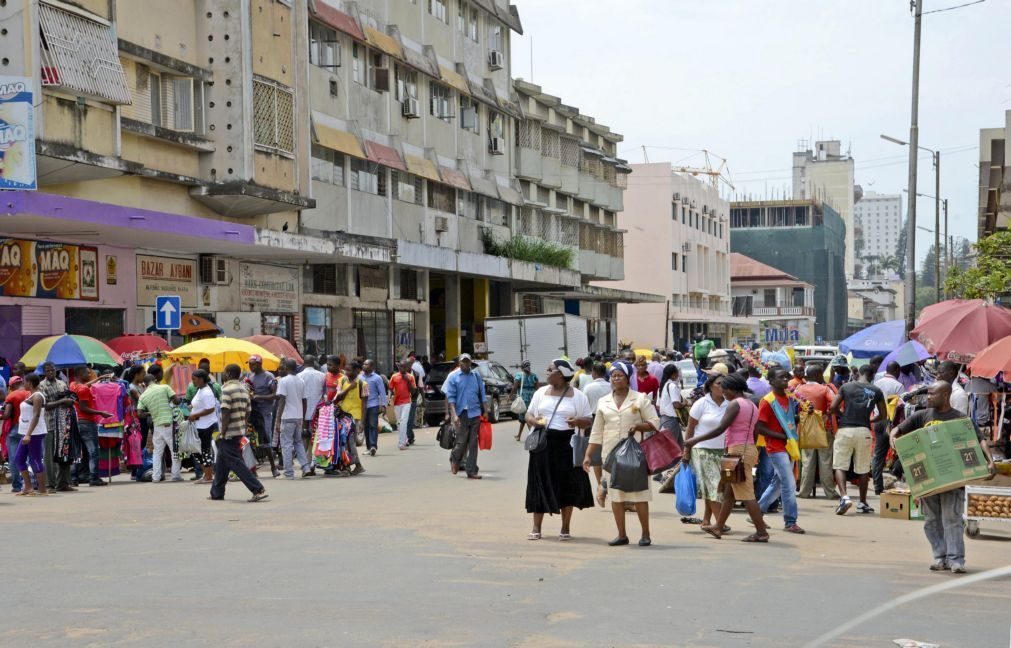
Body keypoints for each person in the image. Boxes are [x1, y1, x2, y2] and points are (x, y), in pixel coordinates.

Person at [890, 381, 996, 573]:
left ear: (945, 395)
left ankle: (956, 560)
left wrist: (990, 461)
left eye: (932, 394)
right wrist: (893, 436)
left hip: (953, 480)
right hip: (930, 480)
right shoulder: (922, 415)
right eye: (928, 394)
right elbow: (898, 429)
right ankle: (940, 557)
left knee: (952, 520)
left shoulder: (960, 419)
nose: (928, 397)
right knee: (931, 521)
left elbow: (979, 439)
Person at [685, 374, 769, 542]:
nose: (722, 393)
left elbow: (720, 428)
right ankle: (718, 526)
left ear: (731, 390)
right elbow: (756, 430)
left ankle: (761, 532)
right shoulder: (751, 404)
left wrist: (695, 440)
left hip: (738, 451)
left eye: (724, 390)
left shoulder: (734, 404)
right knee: (729, 492)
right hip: (747, 448)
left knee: (747, 494)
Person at [584, 361, 659, 546]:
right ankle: (622, 534)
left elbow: (655, 422)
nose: (616, 379)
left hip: (635, 454)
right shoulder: (603, 401)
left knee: (639, 495)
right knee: (616, 495)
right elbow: (596, 431)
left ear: (628, 378)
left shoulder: (640, 399)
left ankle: (645, 534)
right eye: (613, 376)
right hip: (610, 455)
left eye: (620, 375)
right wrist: (588, 454)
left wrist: (639, 426)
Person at [524, 359, 594, 541]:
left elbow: (589, 420)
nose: (547, 372)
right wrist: (533, 421)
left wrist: (577, 421)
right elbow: (528, 414)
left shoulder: (578, 396)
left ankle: (565, 528)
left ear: (561, 374)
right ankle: (536, 527)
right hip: (543, 444)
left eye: (550, 370)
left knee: (566, 486)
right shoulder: (540, 393)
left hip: (566, 445)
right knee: (539, 483)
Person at [829, 363, 887, 515]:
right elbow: (883, 415)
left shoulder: (846, 387)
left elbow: (833, 408)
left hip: (845, 430)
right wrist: (871, 420)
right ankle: (862, 502)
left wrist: (843, 415)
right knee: (863, 468)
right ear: (873, 375)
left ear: (858, 373)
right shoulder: (876, 391)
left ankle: (844, 497)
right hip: (864, 431)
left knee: (840, 465)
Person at [755, 367, 805, 534]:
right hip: (776, 447)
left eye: (786, 377)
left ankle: (757, 512)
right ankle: (790, 521)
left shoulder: (790, 399)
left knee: (778, 483)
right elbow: (760, 427)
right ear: (771, 381)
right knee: (789, 484)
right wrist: (780, 436)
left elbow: (789, 420)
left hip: (789, 446)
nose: (785, 380)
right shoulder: (767, 401)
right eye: (781, 378)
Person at [209, 364, 269, 502]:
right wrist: (242, 424)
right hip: (239, 430)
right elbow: (248, 411)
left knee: (236, 463)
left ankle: (257, 489)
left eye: (224, 372)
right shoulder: (243, 389)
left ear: (229, 374)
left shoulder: (226, 389)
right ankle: (216, 492)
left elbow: (225, 412)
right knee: (222, 461)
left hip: (228, 432)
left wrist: (222, 432)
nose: (223, 374)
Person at [683, 373, 729, 531]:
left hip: (723, 450)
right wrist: (686, 452)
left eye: (725, 384)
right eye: (719, 384)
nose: (722, 387)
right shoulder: (701, 403)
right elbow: (690, 429)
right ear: (710, 386)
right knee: (712, 486)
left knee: (717, 487)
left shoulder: (730, 403)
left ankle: (706, 520)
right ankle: (720, 523)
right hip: (702, 449)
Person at [795, 364, 839, 500]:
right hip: (822, 427)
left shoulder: (798, 389)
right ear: (817, 375)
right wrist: (827, 412)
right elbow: (835, 402)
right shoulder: (824, 389)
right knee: (825, 461)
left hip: (805, 428)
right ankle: (830, 492)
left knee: (807, 461)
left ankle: (804, 492)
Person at [444, 354, 486, 479]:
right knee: (462, 441)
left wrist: (486, 409)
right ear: (460, 364)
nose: (466, 364)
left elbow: (482, 393)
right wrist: (454, 415)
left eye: (468, 362)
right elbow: (450, 398)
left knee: (473, 443)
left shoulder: (476, 376)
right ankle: (455, 458)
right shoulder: (454, 377)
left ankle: (471, 470)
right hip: (461, 413)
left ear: (470, 364)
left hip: (475, 412)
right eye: (463, 362)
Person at [69, 364, 112, 487]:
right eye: (87, 373)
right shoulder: (84, 389)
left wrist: (98, 379)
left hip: (76, 422)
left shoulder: (73, 385)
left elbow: (83, 386)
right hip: (87, 423)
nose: (89, 374)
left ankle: (73, 478)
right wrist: (101, 413)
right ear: (80, 375)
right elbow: (84, 408)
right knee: (93, 452)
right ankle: (94, 477)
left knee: (77, 452)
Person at [39, 362, 78, 492]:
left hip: (63, 424)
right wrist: (62, 401)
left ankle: (63, 483)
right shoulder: (42, 386)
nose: (50, 373)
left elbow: (69, 399)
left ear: (56, 371)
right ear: (44, 372)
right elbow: (44, 405)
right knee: (49, 456)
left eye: (52, 370)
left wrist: (70, 400)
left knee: (64, 453)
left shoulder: (62, 383)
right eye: (48, 371)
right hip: (49, 424)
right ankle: (50, 484)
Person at [138, 369, 181, 482]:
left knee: (157, 452)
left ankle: (156, 477)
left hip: (157, 425)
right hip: (168, 424)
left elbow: (140, 413)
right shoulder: (165, 387)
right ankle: (175, 475)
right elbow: (176, 401)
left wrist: (151, 412)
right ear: (155, 380)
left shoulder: (143, 396)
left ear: (145, 383)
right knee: (174, 450)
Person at [872, 361, 905, 495]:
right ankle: (899, 483)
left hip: (878, 420)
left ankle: (877, 485)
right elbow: (901, 406)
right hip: (892, 424)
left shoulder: (876, 383)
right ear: (896, 370)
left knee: (879, 454)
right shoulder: (898, 385)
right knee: (900, 452)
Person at [275, 359, 311, 479]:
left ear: (286, 367)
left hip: (287, 417)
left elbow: (282, 400)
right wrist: (303, 416)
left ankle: (289, 472)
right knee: (298, 442)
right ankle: (305, 467)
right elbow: (304, 401)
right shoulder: (301, 381)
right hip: (298, 416)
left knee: (286, 445)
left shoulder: (284, 381)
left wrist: (278, 420)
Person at [580, 363, 611, 499]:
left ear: (593, 373)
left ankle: (600, 484)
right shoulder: (611, 386)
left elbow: (584, 406)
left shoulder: (588, 388)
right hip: (610, 420)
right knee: (610, 452)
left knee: (596, 455)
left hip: (593, 420)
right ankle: (611, 482)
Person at [14, 374, 48, 497]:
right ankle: (28, 487)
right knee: (19, 458)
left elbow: (36, 415)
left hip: (34, 433)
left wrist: (28, 434)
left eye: (25, 382)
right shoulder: (33, 395)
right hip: (27, 432)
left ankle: (42, 489)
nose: (24, 384)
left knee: (36, 459)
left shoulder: (38, 396)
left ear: (30, 383)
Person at [332, 361, 366, 476]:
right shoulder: (342, 381)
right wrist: (349, 388)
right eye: (346, 370)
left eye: (349, 370)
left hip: (355, 417)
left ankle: (348, 467)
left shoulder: (363, 384)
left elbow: (364, 404)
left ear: (357, 371)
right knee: (343, 442)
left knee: (349, 442)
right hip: (342, 415)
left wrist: (362, 422)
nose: (347, 372)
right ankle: (355, 465)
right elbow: (338, 397)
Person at [187, 370, 219, 484]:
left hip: (207, 426)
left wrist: (196, 414)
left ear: (201, 379)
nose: (193, 381)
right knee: (197, 451)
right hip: (200, 425)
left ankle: (209, 475)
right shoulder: (200, 390)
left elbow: (210, 408)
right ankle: (207, 473)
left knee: (205, 450)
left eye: (194, 379)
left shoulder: (206, 392)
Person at [2, 376, 28, 492]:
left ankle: (17, 486)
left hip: (15, 429)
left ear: (11, 386)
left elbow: (7, 415)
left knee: (13, 458)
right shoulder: (31, 393)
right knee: (30, 457)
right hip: (29, 428)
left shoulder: (11, 396)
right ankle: (32, 483)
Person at [246, 355, 277, 449]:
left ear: (260, 364)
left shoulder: (269, 376)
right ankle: (259, 455)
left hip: (265, 412)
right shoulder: (249, 376)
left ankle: (269, 454)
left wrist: (260, 397)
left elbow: (275, 395)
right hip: (253, 411)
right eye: (249, 364)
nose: (250, 367)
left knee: (266, 435)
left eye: (253, 364)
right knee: (254, 435)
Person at [389, 359, 418, 451]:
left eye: (404, 366)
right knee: (399, 423)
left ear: (407, 367)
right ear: (399, 367)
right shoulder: (394, 377)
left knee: (403, 422)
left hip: (407, 402)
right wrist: (389, 398)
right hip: (397, 403)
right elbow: (390, 388)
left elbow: (413, 392)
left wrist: (408, 381)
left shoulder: (411, 377)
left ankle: (401, 443)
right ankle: (405, 439)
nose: (403, 368)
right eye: (401, 366)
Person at [361, 359, 387, 456]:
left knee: (373, 425)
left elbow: (382, 392)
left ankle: (373, 446)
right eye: (363, 364)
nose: (364, 366)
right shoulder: (360, 377)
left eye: (366, 364)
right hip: (362, 406)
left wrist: (384, 405)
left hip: (373, 405)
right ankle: (368, 447)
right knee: (366, 427)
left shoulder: (377, 378)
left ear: (372, 367)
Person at [299, 355, 326, 443]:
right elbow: (324, 392)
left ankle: (304, 453)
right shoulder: (322, 376)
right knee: (316, 433)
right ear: (314, 363)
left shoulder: (299, 376)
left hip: (303, 409)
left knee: (304, 433)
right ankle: (312, 453)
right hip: (318, 410)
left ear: (303, 363)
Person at [656, 363, 686, 445]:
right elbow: (676, 404)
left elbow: (658, 406)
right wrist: (684, 403)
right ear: (673, 375)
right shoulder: (672, 386)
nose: (678, 375)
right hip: (671, 420)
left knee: (679, 447)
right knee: (672, 447)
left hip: (664, 419)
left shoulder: (662, 386)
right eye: (677, 373)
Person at [511, 360, 540, 442]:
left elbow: (515, 387)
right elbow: (538, 389)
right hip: (532, 398)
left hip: (523, 399)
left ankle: (533, 436)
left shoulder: (519, 375)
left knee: (527, 418)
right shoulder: (534, 376)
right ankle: (519, 435)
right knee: (524, 418)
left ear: (522, 367)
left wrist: (510, 396)